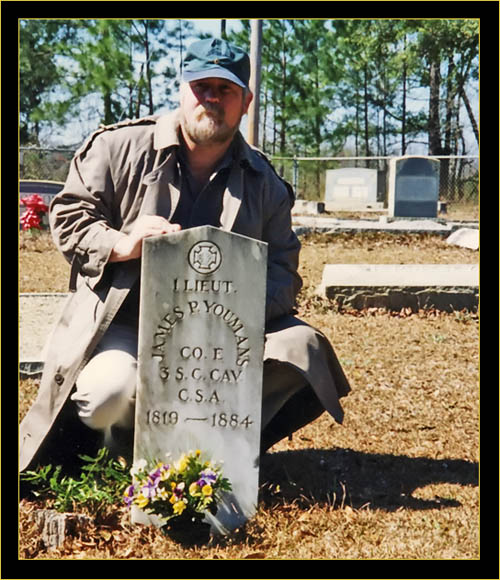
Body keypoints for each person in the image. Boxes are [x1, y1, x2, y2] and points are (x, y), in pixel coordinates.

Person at [19, 38, 350, 473]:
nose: (212, 98)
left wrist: (234, 305)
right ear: (181, 91)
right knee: (109, 393)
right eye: (202, 86)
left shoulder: (265, 183)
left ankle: (209, 445)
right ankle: (122, 452)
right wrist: (122, 243)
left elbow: (283, 275)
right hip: (124, 323)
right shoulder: (119, 149)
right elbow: (69, 216)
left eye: (226, 89)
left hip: (220, 333)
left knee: (302, 348)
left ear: (246, 102)